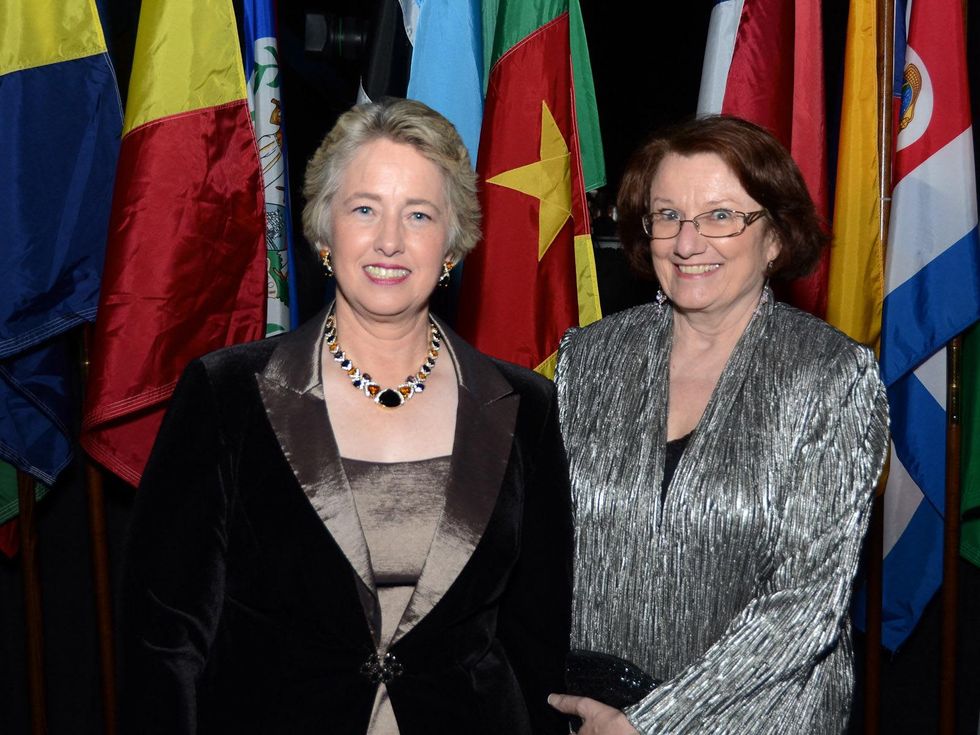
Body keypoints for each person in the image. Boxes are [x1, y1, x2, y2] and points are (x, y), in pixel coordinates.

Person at [121, 98, 573, 734]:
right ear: (324, 228)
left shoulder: (524, 408)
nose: (390, 240)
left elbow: (537, 639)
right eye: (365, 209)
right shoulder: (226, 394)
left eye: (419, 215)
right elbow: (164, 641)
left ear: (452, 241)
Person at [548, 115, 889, 734]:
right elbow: (543, 548)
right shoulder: (588, 359)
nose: (687, 242)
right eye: (668, 215)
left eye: (721, 216)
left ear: (776, 238)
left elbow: (805, 603)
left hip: (758, 718)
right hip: (588, 713)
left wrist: (654, 724)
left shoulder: (832, 377)